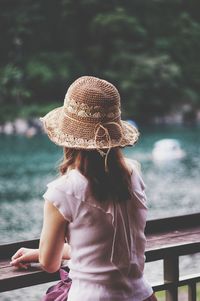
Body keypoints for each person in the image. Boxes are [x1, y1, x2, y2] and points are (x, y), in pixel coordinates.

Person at [10, 76, 157, 301]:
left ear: (68, 138)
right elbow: (109, 249)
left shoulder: (62, 191)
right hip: (142, 295)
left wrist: (41, 254)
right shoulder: (133, 173)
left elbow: (50, 264)